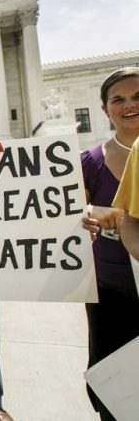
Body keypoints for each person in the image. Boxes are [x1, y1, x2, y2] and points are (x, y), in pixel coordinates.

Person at [83, 67, 139, 420]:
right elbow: (64, 213)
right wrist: (91, 212)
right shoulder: (89, 161)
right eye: (118, 99)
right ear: (105, 109)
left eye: (137, 97)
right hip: (109, 287)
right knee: (109, 379)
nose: (129, 105)